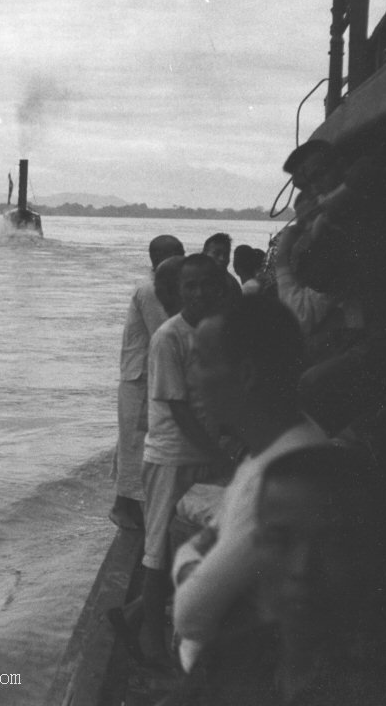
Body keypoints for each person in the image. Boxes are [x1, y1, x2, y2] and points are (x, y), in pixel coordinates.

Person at [187, 445, 386, 705]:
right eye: (280, 541)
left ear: (368, 556)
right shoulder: (230, 656)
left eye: (333, 544)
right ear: (257, 547)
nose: (302, 568)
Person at [172, 296, 328, 673]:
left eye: (201, 362)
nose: (191, 377)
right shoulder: (285, 445)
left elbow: (190, 615)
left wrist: (186, 559)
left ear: (245, 375)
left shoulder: (275, 481)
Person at [139, 253, 228, 667]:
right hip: (173, 455)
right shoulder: (168, 337)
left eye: (206, 285)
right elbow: (179, 407)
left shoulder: (221, 331)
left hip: (207, 449)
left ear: (218, 287)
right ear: (177, 292)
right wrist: (218, 450)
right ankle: (148, 636)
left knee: (195, 541)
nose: (197, 293)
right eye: (188, 286)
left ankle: (168, 623)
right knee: (157, 550)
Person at [110, 235, 184, 530]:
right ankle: (124, 509)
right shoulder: (153, 290)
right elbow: (163, 332)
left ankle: (125, 506)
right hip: (141, 377)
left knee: (131, 441)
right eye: (177, 254)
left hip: (140, 375)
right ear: (160, 258)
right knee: (135, 442)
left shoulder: (156, 286)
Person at [202, 233, 242, 305]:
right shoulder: (193, 277)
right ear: (204, 254)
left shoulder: (231, 285)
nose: (222, 259)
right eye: (217, 253)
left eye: (226, 254)